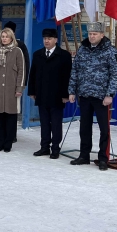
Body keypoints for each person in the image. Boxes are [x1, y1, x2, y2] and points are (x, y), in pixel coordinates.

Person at [68, 22, 117, 171]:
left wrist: (110, 94)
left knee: (104, 128)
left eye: (95, 34)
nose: (91, 36)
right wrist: (72, 91)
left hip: (101, 97)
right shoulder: (83, 50)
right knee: (84, 127)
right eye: (90, 34)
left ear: (102, 35)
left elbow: (116, 74)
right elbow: (75, 71)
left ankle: (103, 158)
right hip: (84, 94)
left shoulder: (110, 51)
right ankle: (84, 155)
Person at [29, 28, 72, 159]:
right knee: (44, 122)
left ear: (56, 40)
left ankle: (55, 148)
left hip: (57, 95)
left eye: (49, 39)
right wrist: (32, 91)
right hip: (42, 94)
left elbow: (68, 76)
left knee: (56, 123)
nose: (46, 41)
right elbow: (33, 74)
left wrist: (66, 94)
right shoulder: (38, 54)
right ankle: (44, 147)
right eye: (45, 39)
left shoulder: (64, 55)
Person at [0, 21, 30, 142]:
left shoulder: (19, 48)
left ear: (13, 35)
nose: (5, 38)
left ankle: (10, 137)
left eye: (7, 35)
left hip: (12, 87)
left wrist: (21, 86)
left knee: (11, 113)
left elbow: (24, 67)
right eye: (3, 36)